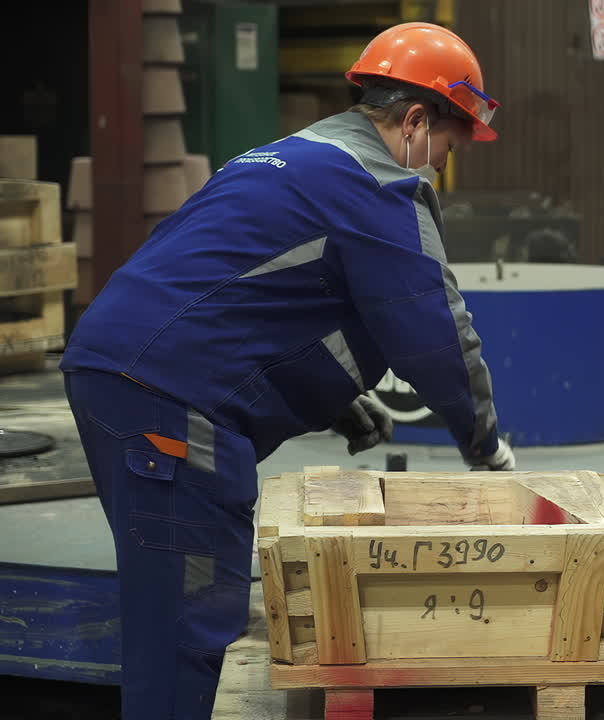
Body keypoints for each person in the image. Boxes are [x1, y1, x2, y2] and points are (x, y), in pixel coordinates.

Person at [60, 23, 514, 720]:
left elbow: (242, 289)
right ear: (418, 120)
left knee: (165, 607)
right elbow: (438, 338)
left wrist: (331, 399)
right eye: (450, 144)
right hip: (172, 400)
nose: (444, 165)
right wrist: (490, 452)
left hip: (109, 371)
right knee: (186, 624)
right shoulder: (382, 185)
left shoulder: (279, 157)